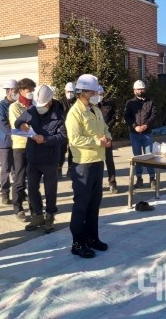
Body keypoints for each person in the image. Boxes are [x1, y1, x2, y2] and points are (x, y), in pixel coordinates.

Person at [65, 74, 112, 258]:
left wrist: (108, 137)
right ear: (82, 92)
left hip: (97, 162)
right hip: (82, 164)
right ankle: (78, 242)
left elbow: (104, 128)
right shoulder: (74, 113)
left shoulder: (95, 109)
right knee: (81, 205)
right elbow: (75, 139)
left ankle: (92, 238)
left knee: (94, 204)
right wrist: (96, 141)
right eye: (92, 91)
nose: (95, 93)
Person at [14, 85, 66, 233]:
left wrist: (46, 139)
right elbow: (17, 122)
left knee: (50, 190)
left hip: (50, 159)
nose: (40, 108)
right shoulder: (31, 110)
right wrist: (22, 124)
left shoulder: (60, 114)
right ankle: (38, 215)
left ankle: (50, 215)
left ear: (50, 101)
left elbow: (63, 137)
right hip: (33, 157)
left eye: (43, 105)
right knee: (32, 188)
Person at [9, 78, 36, 222]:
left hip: (34, 145)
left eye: (32, 90)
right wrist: (33, 130)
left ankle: (34, 208)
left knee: (32, 179)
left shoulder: (35, 105)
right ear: (21, 91)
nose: (31, 92)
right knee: (19, 179)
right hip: (20, 146)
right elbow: (18, 127)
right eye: (28, 90)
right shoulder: (15, 107)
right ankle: (18, 208)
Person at [123, 80, 157, 189]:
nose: (140, 91)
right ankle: (139, 179)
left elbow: (154, 115)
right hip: (135, 134)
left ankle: (152, 178)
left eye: (142, 89)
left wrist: (146, 125)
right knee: (137, 157)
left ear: (145, 89)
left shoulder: (150, 102)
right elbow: (126, 116)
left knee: (149, 156)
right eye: (138, 89)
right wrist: (135, 126)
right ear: (134, 91)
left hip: (147, 133)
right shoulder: (130, 103)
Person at [0, 79, 19, 205]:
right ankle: (4, 193)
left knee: (17, 169)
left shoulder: (17, 105)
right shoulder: (0, 107)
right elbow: (2, 123)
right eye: (15, 91)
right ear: (8, 91)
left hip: (17, 143)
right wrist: (17, 132)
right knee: (6, 169)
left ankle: (18, 193)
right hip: (6, 143)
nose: (17, 93)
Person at [97, 85, 117, 193]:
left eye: (101, 94)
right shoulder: (91, 107)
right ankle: (97, 184)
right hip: (96, 138)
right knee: (97, 162)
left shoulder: (109, 105)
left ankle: (112, 183)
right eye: (97, 94)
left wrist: (106, 129)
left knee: (109, 161)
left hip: (107, 136)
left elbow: (113, 119)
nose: (99, 96)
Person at [58, 81, 76, 178]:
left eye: (72, 92)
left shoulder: (77, 102)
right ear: (65, 91)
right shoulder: (60, 103)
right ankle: (59, 168)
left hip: (73, 130)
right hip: (63, 129)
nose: (70, 94)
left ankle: (70, 168)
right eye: (68, 91)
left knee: (72, 150)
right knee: (62, 150)